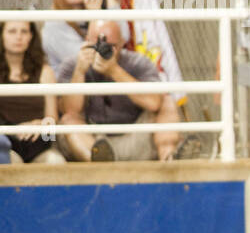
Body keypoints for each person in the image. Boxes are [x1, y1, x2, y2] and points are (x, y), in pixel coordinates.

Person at [55, 20, 190, 162]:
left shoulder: (138, 62)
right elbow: (70, 110)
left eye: (111, 45)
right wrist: (79, 72)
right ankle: (99, 163)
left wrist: (114, 71)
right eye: (98, 44)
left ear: (122, 43)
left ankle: (169, 158)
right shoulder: (72, 65)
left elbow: (154, 103)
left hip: (135, 136)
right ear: (87, 41)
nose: (104, 49)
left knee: (167, 102)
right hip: (92, 141)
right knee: (69, 120)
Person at [0, 20, 65, 164]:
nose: (18, 37)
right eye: (12, 31)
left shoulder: (45, 71)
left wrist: (39, 124)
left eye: (24, 31)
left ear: (31, 36)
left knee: (56, 162)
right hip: (6, 143)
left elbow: (52, 118)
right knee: (12, 164)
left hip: (38, 143)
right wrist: (14, 130)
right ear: (2, 35)